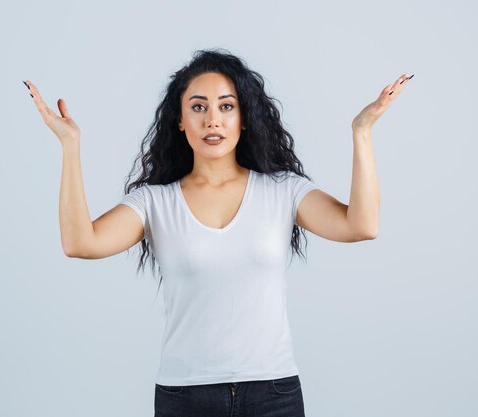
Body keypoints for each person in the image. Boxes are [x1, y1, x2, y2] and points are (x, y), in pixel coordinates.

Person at [23, 48, 413, 417]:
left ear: (244, 117)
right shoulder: (155, 202)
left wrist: (362, 132)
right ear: (180, 120)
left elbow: (361, 225)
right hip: (185, 396)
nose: (213, 119)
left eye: (226, 106)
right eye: (198, 107)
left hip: (272, 393)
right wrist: (70, 145)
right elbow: (80, 242)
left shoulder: (282, 190)